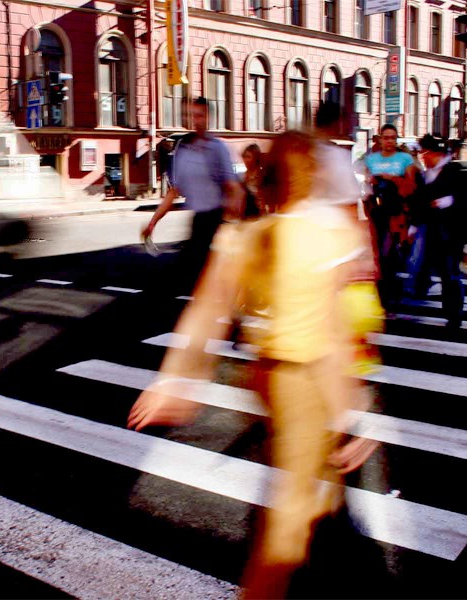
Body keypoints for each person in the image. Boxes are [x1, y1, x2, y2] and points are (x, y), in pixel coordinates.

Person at [129, 130, 379, 598]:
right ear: (313, 179)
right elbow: (335, 332)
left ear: (266, 179)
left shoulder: (242, 236)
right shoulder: (328, 238)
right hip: (305, 380)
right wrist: (351, 411)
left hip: (263, 376)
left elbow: (205, 310)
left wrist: (174, 380)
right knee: (290, 519)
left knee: (309, 487)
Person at [142, 97, 243, 295]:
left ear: (209, 117)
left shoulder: (217, 148)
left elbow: (233, 187)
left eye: (200, 115)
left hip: (216, 220)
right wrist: (153, 222)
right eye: (192, 116)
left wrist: (236, 225)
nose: (196, 120)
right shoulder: (184, 150)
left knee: (200, 278)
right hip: (199, 221)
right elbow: (174, 191)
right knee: (191, 277)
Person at [407, 134, 467, 328]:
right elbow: (419, 202)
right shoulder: (425, 175)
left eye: (424, 153)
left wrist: (448, 201)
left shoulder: (454, 171)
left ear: (434, 153)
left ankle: (454, 314)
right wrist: (413, 225)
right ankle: (417, 293)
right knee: (422, 265)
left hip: (451, 232)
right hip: (430, 230)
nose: (422, 157)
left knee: (449, 273)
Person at [363, 124, 419, 309]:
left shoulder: (404, 159)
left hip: (396, 213)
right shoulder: (371, 159)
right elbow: (364, 184)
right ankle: (385, 292)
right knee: (379, 253)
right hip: (376, 211)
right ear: (380, 139)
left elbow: (411, 186)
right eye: (386, 138)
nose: (390, 141)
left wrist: (391, 178)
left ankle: (390, 292)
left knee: (390, 251)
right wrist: (371, 180)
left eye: (393, 138)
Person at [240, 143, 264, 219]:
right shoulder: (243, 176)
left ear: (256, 158)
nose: (245, 160)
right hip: (245, 216)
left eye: (249, 157)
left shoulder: (262, 176)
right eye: (244, 157)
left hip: (259, 215)